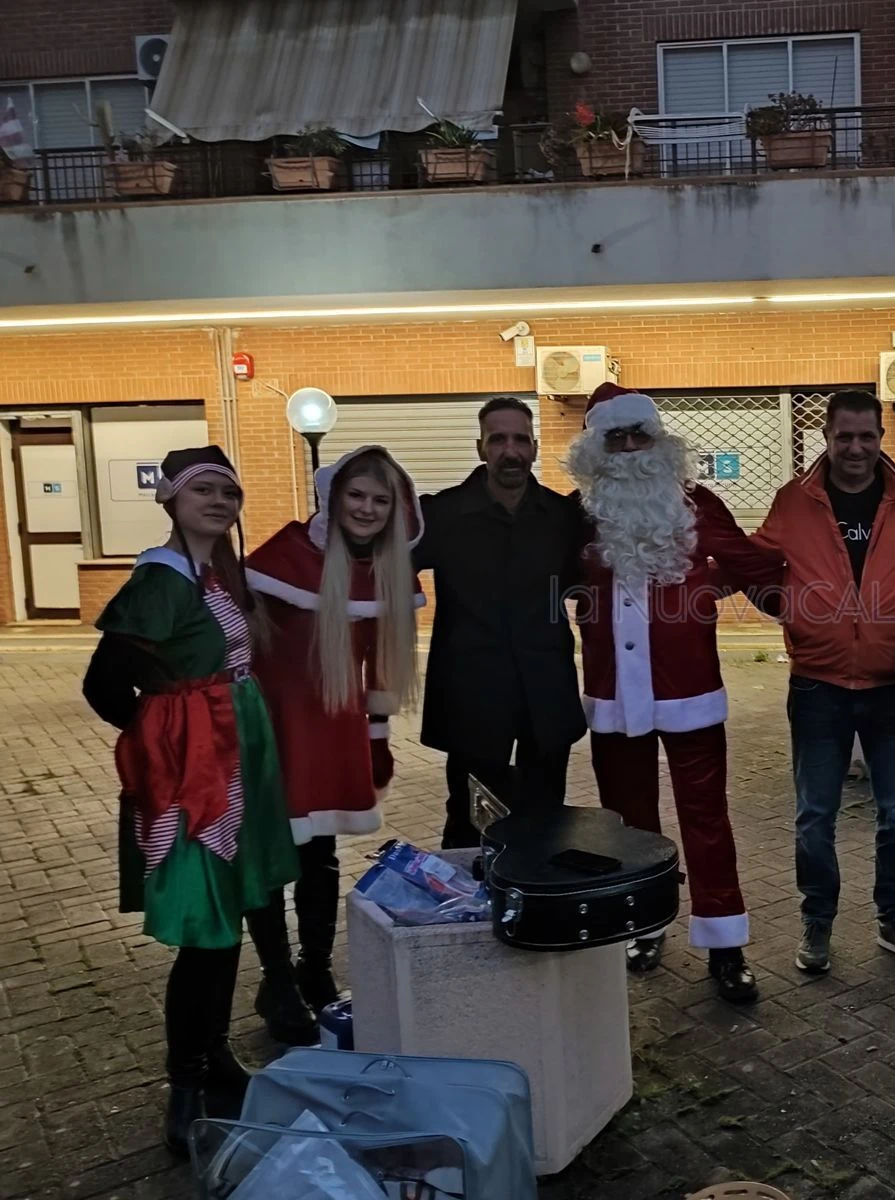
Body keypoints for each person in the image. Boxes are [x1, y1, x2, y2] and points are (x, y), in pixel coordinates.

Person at [81, 446, 299, 1157]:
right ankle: (184, 1086)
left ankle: (214, 1061)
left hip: (237, 755)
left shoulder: (214, 576)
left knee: (230, 917)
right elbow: (105, 682)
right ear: (170, 499)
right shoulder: (161, 576)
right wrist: (167, 735)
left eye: (228, 491)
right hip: (197, 771)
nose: (218, 501)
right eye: (202, 489)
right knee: (207, 932)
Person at [565, 384, 778, 1003]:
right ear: (596, 448)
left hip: (690, 694)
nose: (630, 448)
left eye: (640, 435)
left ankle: (724, 943)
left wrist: (707, 594)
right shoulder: (574, 517)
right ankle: (645, 925)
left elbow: (757, 568)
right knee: (631, 827)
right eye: (616, 437)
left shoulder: (697, 506)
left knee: (707, 821)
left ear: (660, 443)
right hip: (611, 699)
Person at [752, 389, 895, 975]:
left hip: (893, 684)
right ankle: (818, 921)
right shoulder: (795, 500)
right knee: (815, 815)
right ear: (827, 438)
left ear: (881, 438)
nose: (856, 448)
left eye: (867, 436)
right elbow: (759, 563)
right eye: (845, 437)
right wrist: (791, 611)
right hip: (818, 684)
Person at [242, 446, 425, 1043]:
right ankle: (277, 981)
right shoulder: (284, 556)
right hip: (273, 724)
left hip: (333, 725)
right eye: (357, 495)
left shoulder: (384, 570)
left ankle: (313, 968)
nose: (368, 509)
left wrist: (378, 737)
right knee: (271, 858)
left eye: (381, 499)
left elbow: (377, 665)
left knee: (319, 854)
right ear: (333, 495)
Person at [414, 397, 587, 848]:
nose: (510, 450)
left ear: (533, 447)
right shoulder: (441, 515)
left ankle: (540, 911)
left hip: (545, 689)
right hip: (471, 691)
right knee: (470, 819)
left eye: (520, 440)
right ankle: (469, 915)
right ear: (480, 448)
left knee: (548, 818)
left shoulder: (564, 518)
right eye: (498, 439)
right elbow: (373, 560)